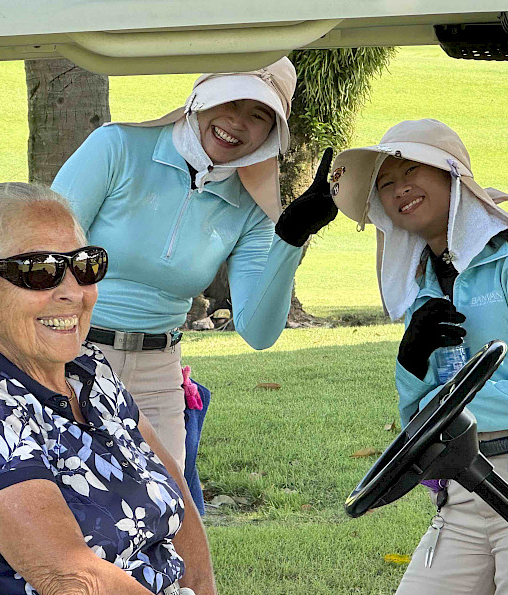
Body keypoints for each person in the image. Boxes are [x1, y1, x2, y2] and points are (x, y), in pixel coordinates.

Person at [0, 181, 485, 595]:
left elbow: (176, 495)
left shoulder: (88, 372)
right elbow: (75, 581)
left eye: (84, 265)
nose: (72, 289)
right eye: (38, 271)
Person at [329, 119, 508, 595]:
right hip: (465, 491)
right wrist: (411, 365)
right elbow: (416, 421)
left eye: (412, 170)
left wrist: (452, 406)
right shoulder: (423, 291)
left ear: (454, 177)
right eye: (386, 183)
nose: (399, 188)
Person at [51, 58, 338, 473]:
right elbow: (45, 254)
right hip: (68, 354)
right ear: (201, 99)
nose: (237, 122)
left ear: (271, 134)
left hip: (157, 375)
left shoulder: (251, 208)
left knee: (166, 504)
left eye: (258, 115)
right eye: (230, 101)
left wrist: (291, 239)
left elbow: (258, 332)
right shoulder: (116, 146)